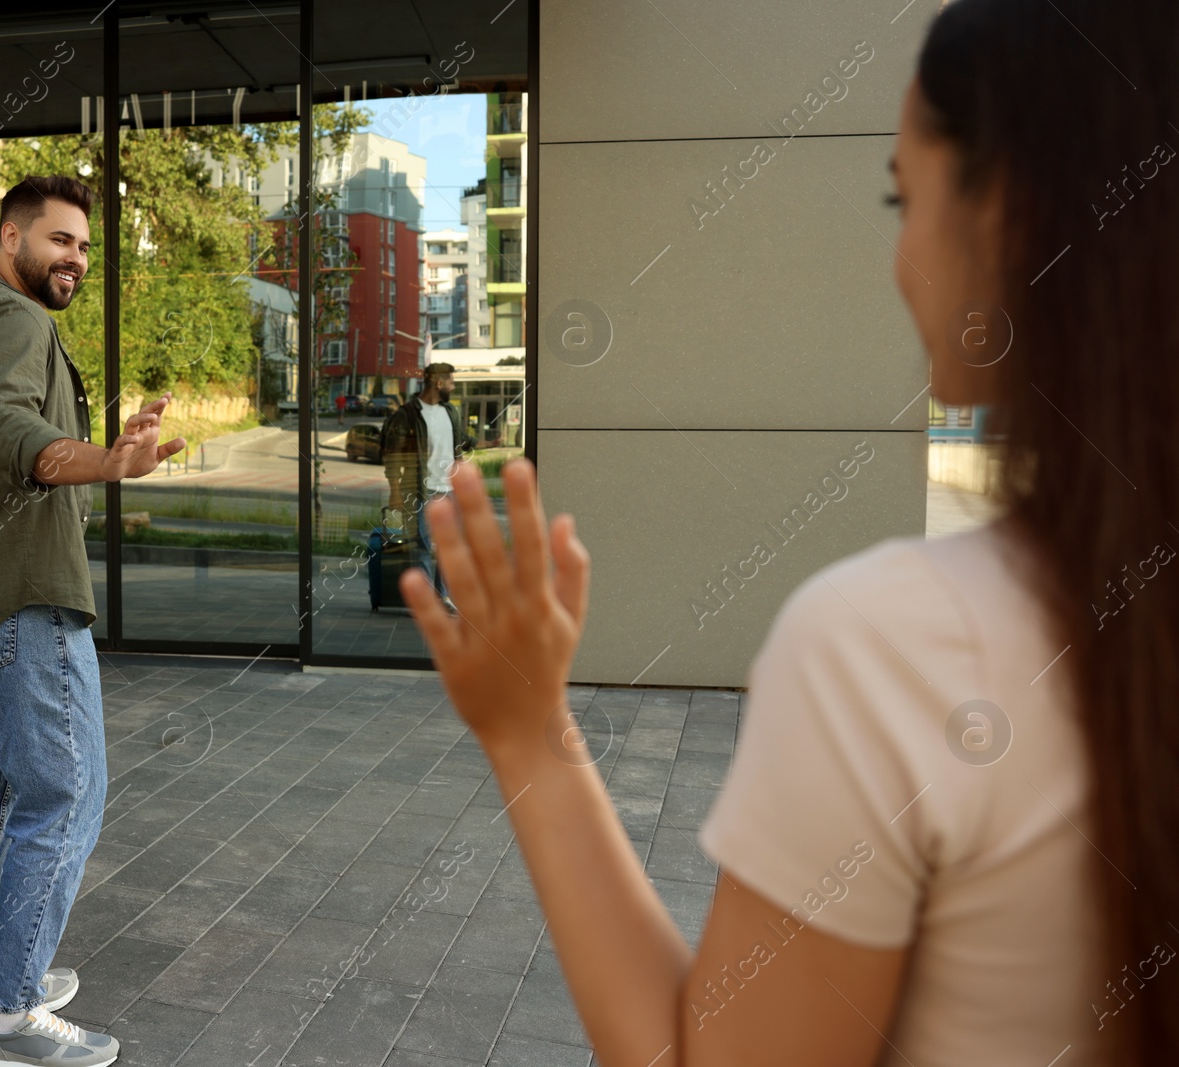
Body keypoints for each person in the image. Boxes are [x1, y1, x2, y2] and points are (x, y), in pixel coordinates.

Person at [399, 2, 1179, 1064]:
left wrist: (528, 728)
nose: (899, 256)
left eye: (901, 196)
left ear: (1008, 221)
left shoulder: (898, 647)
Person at [0, 175, 184, 1067]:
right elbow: (6, 431)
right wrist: (111, 461)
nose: (76, 258)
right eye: (59, 239)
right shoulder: (18, 322)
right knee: (64, 800)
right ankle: (12, 1017)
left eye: (86, 247)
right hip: (22, 602)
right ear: (10, 235)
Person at [381, 363, 472, 598]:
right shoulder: (407, 414)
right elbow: (393, 457)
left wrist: (487, 443)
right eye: (451, 382)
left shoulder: (450, 411)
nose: (453, 386)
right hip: (419, 491)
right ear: (438, 383)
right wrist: (395, 492)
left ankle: (443, 597)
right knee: (420, 547)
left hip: (449, 490)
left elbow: (460, 442)